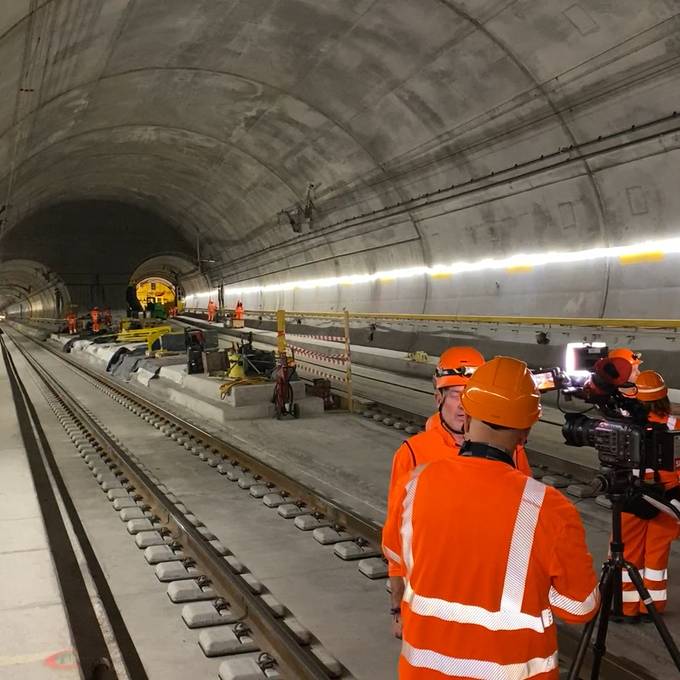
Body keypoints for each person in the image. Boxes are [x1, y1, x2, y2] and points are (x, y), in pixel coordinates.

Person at [383, 357, 599, 678]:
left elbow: (399, 560)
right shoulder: (549, 508)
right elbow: (579, 608)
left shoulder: (413, 483)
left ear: (467, 419)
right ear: (525, 431)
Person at [386, 347, 534, 637]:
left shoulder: (512, 452)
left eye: (471, 396)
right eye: (455, 395)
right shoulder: (414, 453)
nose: (463, 406)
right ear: (438, 398)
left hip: (492, 595)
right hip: (432, 597)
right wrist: (396, 607)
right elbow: (396, 544)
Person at [620, 370, 679, 621]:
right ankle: (652, 608)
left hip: (633, 496)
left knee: (629, 552)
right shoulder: (676, 425)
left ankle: (627, 607)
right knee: (656, 555)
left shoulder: (626, 425)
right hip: (667, 498)